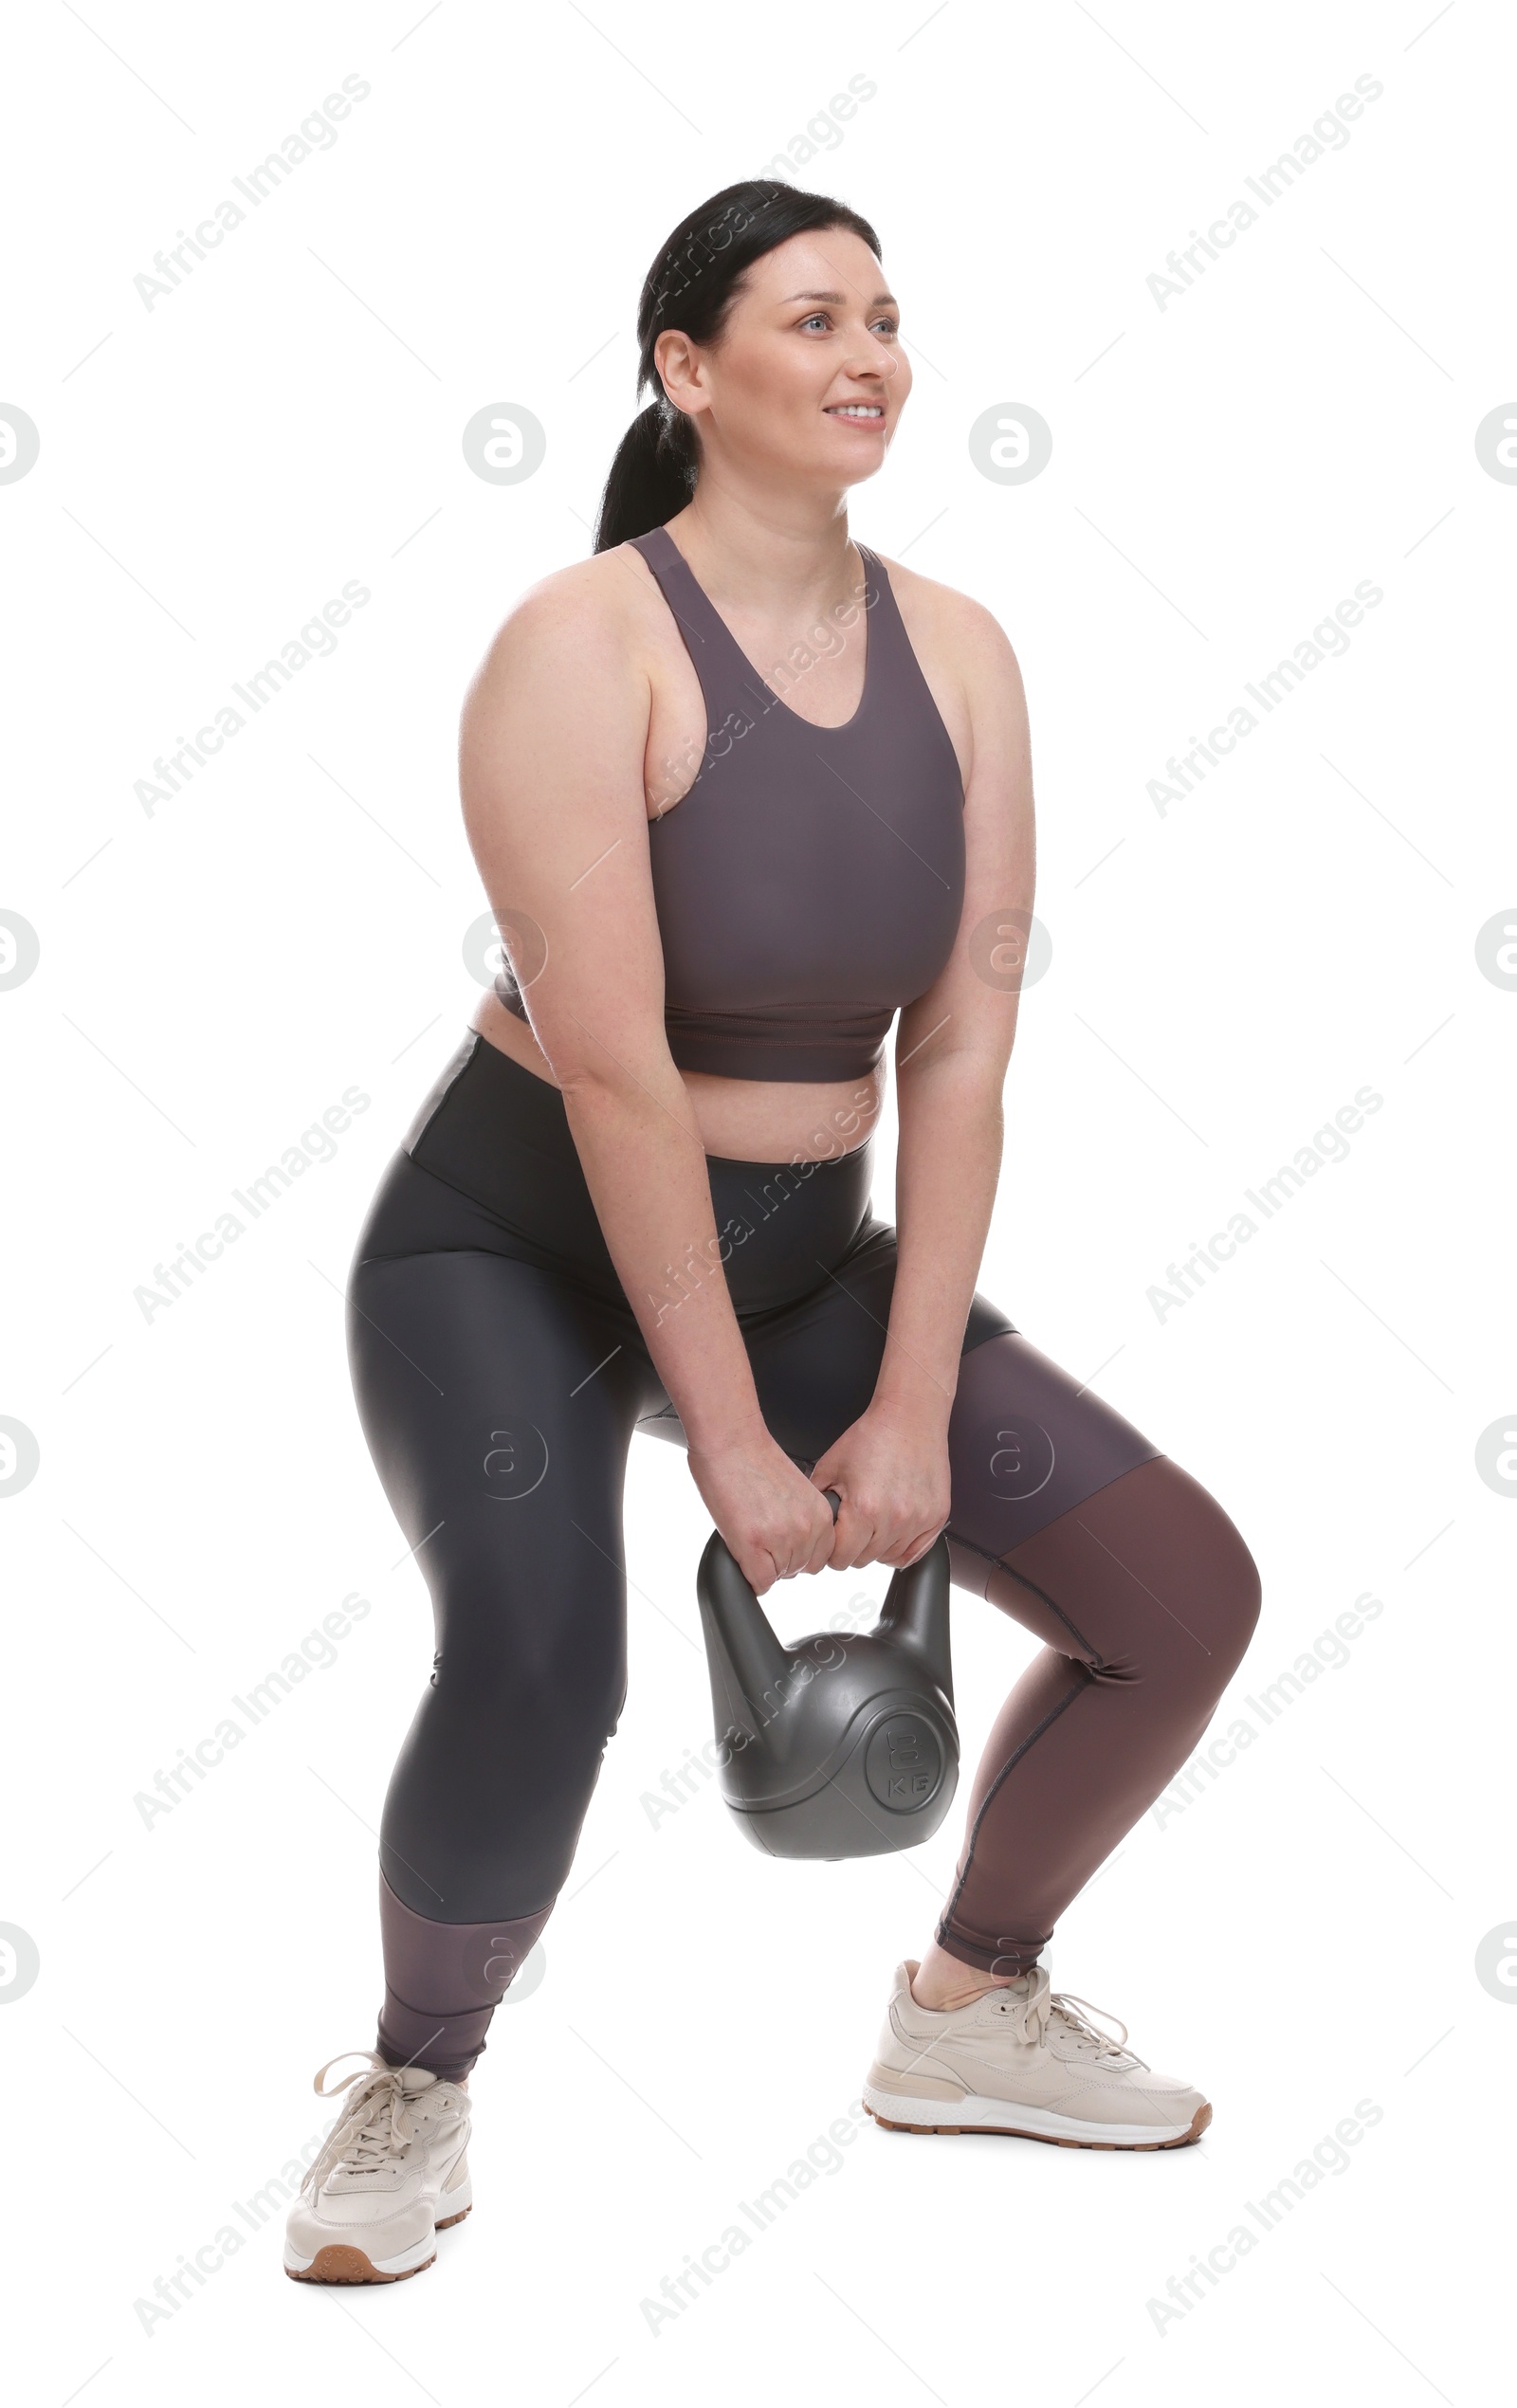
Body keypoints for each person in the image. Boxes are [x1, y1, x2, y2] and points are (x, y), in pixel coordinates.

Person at [283, 180, 1262, 2287]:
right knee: (543, 1662)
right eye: (810, 318)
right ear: (684, 368)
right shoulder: (581, 644)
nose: (867, 358)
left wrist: (907, 1402)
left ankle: (968, 2006)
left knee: (1176, 1593)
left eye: (886, 321)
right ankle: (412, 2083)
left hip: (807, 1258)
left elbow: (963, 1061)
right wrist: (730, 1443)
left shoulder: (966, 656)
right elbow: (620, 1076)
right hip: (509, 1260)